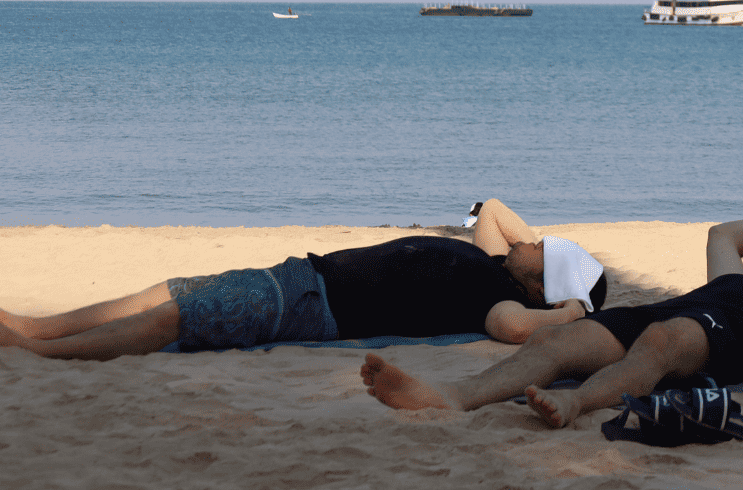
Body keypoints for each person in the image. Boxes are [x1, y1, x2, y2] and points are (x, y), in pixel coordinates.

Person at [360, 199, 743, 428]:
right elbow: (722, 235)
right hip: (684, 309)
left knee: (659, 342)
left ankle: (576, 405)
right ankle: (452, 397)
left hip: (725, 335)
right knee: (565, 342)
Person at [0, 198, 606, 360]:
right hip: (305, 273)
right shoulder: (497, 262)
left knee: (177, 319)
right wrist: (548, 265)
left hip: (315, 304)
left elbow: (513, 327)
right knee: (174, 289)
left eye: (540, 249)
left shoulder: (496, 296)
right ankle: (38, 325)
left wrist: (573, 308)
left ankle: (36, 349)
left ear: (544, 284)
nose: (527, 240)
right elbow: (493, 206)